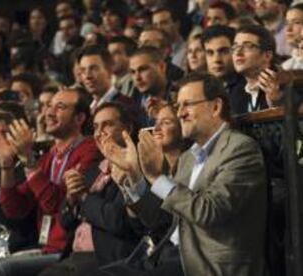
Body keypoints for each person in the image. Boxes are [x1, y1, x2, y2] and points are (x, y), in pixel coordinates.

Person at [94, 72, 267, 276]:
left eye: (188, 105)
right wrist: (135, 175)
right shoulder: (188, 158)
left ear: (215, 107)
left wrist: (158, 178)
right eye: (178, 106)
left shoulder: (240, 149)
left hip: (207, 266)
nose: (180, 113)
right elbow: (162, 220)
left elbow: (210, 212)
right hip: (167, 258)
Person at [0, 88, 101, 276]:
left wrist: (28, 159)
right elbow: (15, 209)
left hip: (70, 251)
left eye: (60, 107)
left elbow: (57, 205)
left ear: (79, 118)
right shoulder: (48, 157)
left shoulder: (89, 150)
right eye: (49, 106)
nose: (49, 112)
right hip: (46, 247)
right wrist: (6, 164)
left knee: (4, 270)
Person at [38, 102, 140, 276]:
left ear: (128, 129)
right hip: (73, 255)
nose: (100, 132)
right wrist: (71, 198)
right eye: (95, 127)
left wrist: (84, 197)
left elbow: (118, 220)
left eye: (107, 124)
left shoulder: (136, 167)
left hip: (106, 260)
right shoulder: (94, 169)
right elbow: (66, 223)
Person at [231, 24, 283, 113]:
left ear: (267, 55)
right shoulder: (236, 93)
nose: (238, 52)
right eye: (235, 47)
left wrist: (277, 103)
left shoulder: (284, 85)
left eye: (248, 46)